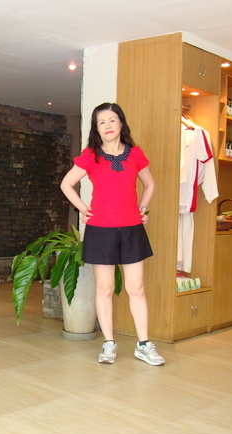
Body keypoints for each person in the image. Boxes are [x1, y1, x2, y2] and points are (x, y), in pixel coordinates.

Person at [60, 102, 165, 366]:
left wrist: (142, 208)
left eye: (112, 120)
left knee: (136, 287)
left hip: (131, 228)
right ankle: (109, 343)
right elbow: (66, 184)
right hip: (101, 230)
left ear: (121, 124)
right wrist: (84, 209)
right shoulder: (90, 155)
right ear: (96, 128)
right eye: (101, 122)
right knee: (104, 287)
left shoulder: (135, 154)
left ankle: (144, 344)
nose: (107, 126)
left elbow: (149, 184)